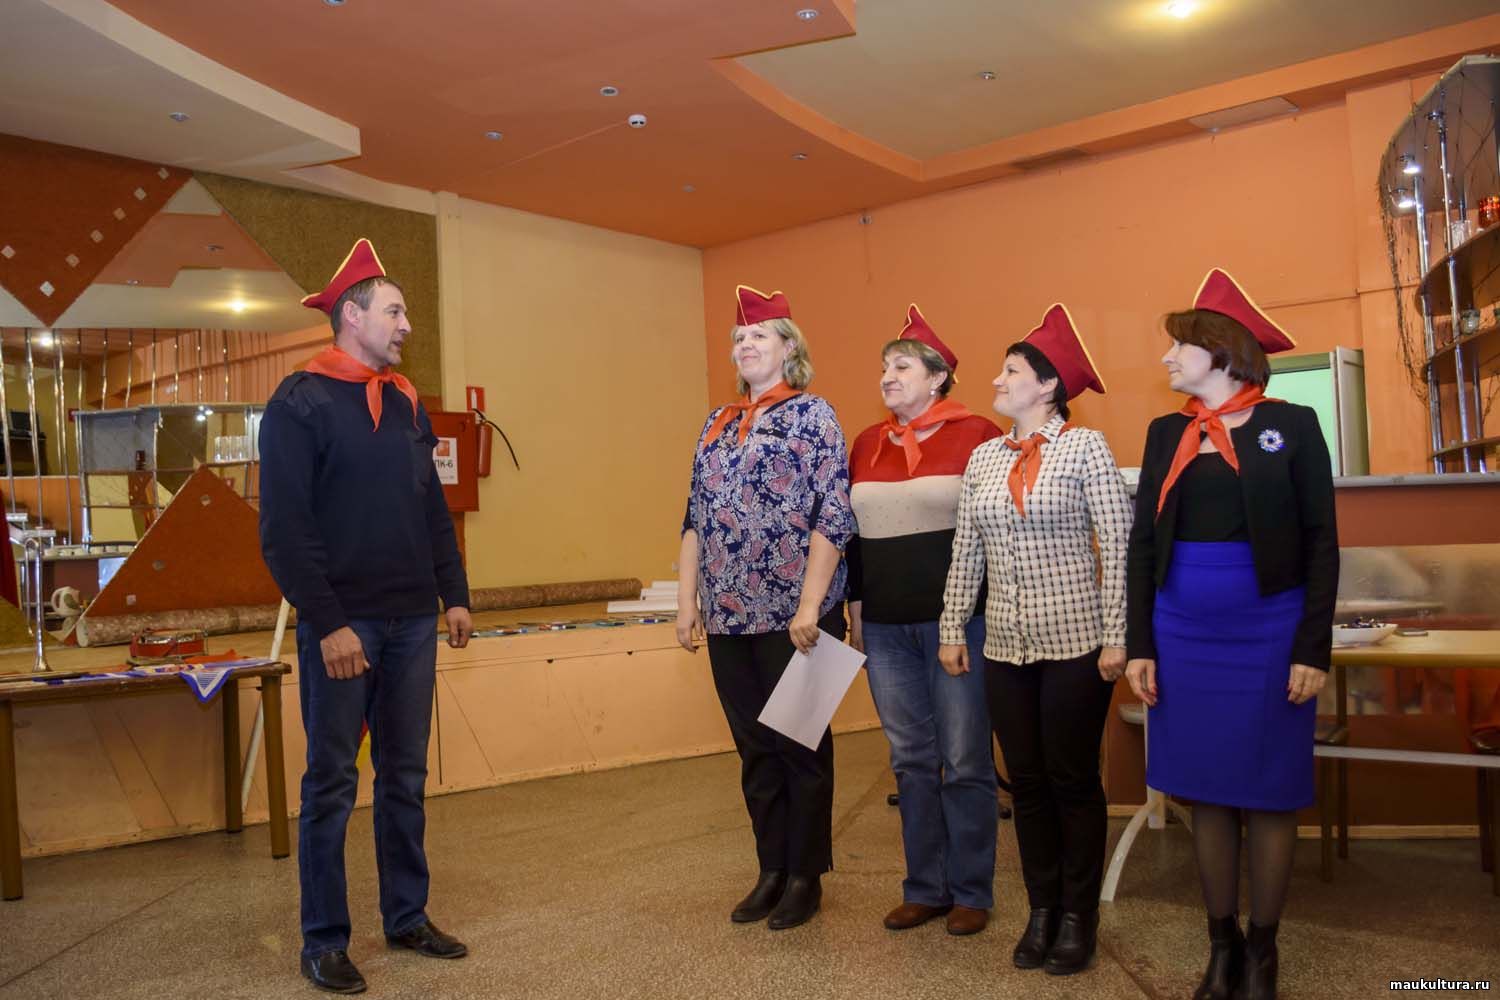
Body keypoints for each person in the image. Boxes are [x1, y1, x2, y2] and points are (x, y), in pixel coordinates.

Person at [260, 238, 475, 995]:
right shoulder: (299, 402)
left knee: (405, 777)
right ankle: (323, 940)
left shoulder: (407, 400)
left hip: (413, 620)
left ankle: (407, 916)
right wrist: (330, 622)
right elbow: (284, 531)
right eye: (395, 311)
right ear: (352, 316)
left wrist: (454, 593)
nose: (406, 325)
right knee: (330, 782)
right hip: (343, 625)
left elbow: (431, 508)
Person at [1124, 268, 1338, 1000]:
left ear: (1219, 352)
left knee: (1270, 791)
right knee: (1206, 789)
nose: (1167, 358)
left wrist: (1312, 648)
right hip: (1182, 631)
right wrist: (1141, 643)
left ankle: (1263, 951)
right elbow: (1142, 546)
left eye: (1178, 346)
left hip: (1271, 630)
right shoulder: (1166, 433)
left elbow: (1321, 543)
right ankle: (1222, 945)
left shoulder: (1293, 425)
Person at [938, 304, 1130, 975]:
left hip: (1076, 643)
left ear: (1047, 385)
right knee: (1026, 783)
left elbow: (1118, 545)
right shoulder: (985, 457)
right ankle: (1041, 909)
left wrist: (1117, 636)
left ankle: (1078, 916)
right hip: (1004, 649)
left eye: (1011, 370)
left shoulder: (1086, 448)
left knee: (1072, 779)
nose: (997, 379)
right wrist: (952, 625)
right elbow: (967, 549)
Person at [675, 284, 854, 930]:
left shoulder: (815, 415)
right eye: (738, 337)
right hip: (728, 616)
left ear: (789, 348)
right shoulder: (716, 424)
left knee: (800, 748)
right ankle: (771, 870)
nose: (745, 344)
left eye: (758, 335)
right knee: (755, 751)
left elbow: (834, 515)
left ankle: (806, 876)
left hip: (798, 617)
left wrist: (810, 605)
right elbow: (694, 518)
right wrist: (687, 601)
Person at [847, 304, 1001, 935]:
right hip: (885, 628)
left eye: (903, 366)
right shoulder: (867, 442)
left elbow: (995, 530)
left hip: (958, 624)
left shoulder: (979, 433)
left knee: (964, 758)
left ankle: (971, 892)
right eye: (885, 366)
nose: (888, 375)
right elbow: (853, 540)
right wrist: (856, 612)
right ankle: (925, 887)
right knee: (910, 760)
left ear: (937, 378)